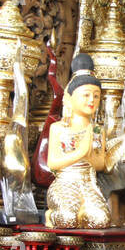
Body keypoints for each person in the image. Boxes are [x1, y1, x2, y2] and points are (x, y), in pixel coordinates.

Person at [45, 54, 112, 228]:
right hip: (65, 182)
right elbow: (52, 163)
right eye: (86, 95)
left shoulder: (97, 130)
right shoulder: (59, 128)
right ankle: (51, 215)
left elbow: (100, 164)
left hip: (88, 182)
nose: (92, 100)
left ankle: (82, 212)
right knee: (66, 219)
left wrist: (89, 156)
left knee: (100, 221)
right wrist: (80, 152)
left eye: (96, 96)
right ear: (70, 98)